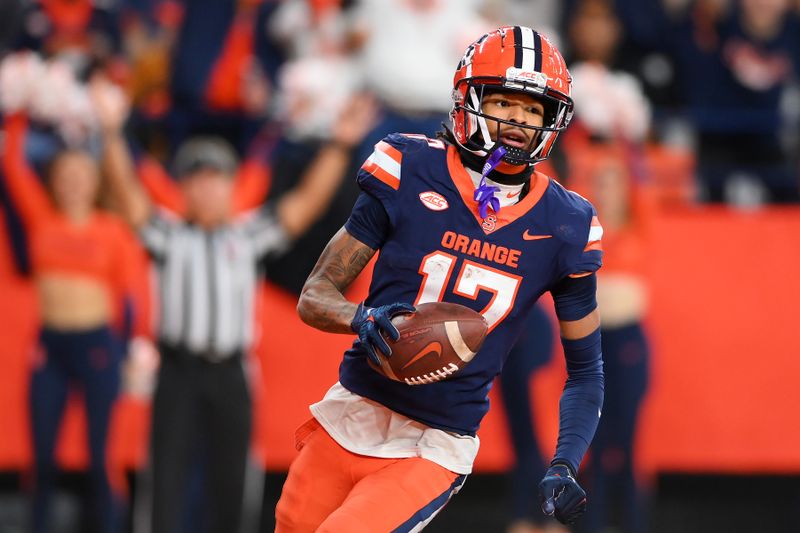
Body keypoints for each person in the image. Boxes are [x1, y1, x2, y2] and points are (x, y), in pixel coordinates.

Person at [276, 26, 605, 532]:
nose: (519, 119)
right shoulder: (409, 167)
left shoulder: (567, 224)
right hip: (355, 407)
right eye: (504, 102)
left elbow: (585, 371)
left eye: (534, 110)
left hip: (435, 440)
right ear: (468, 100)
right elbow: (315, 296)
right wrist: (363, 319)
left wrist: (565, 459)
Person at [90, 77, 376, 533]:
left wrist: (340, 146)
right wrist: (108, 133)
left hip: (230, 371)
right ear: (184, 189)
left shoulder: (246, 236)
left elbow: (304, 206)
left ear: (229, 186)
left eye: (215, 180)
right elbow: (127, 195)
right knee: (165, 477)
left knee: (231, 481)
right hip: (178, 370)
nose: (207, 191)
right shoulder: (169, 235)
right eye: (197, 181)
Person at [1, 111, 136, 533]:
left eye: (83, 173)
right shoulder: (42, 218)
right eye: (66, 174)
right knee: (41, 458)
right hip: (51, 346)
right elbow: (12, 164)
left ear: (95, 181)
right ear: (54, 181)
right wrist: (22, 109)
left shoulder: (111, 230)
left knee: (100, 456)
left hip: (97, 346)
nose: (74, 182)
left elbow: (130, 299)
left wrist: (130, 350)